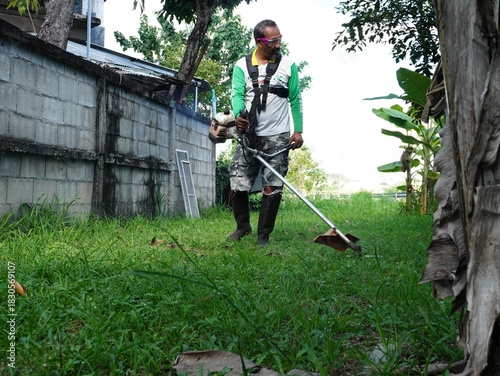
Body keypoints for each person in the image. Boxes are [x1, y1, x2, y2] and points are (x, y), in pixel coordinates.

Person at [227, 19, 304, 246]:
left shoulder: (288, 64)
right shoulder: (242, 66)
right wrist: (239, 115)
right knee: (237, 181)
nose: (278, 44)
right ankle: (243, 228)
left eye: (280, 39)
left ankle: (263, 236)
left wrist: (297, 130)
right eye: (273, 41)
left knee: (273, 186)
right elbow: (237, 95)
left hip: (278, 136)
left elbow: (296, 99)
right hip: (250, 136)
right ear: (260, 42)